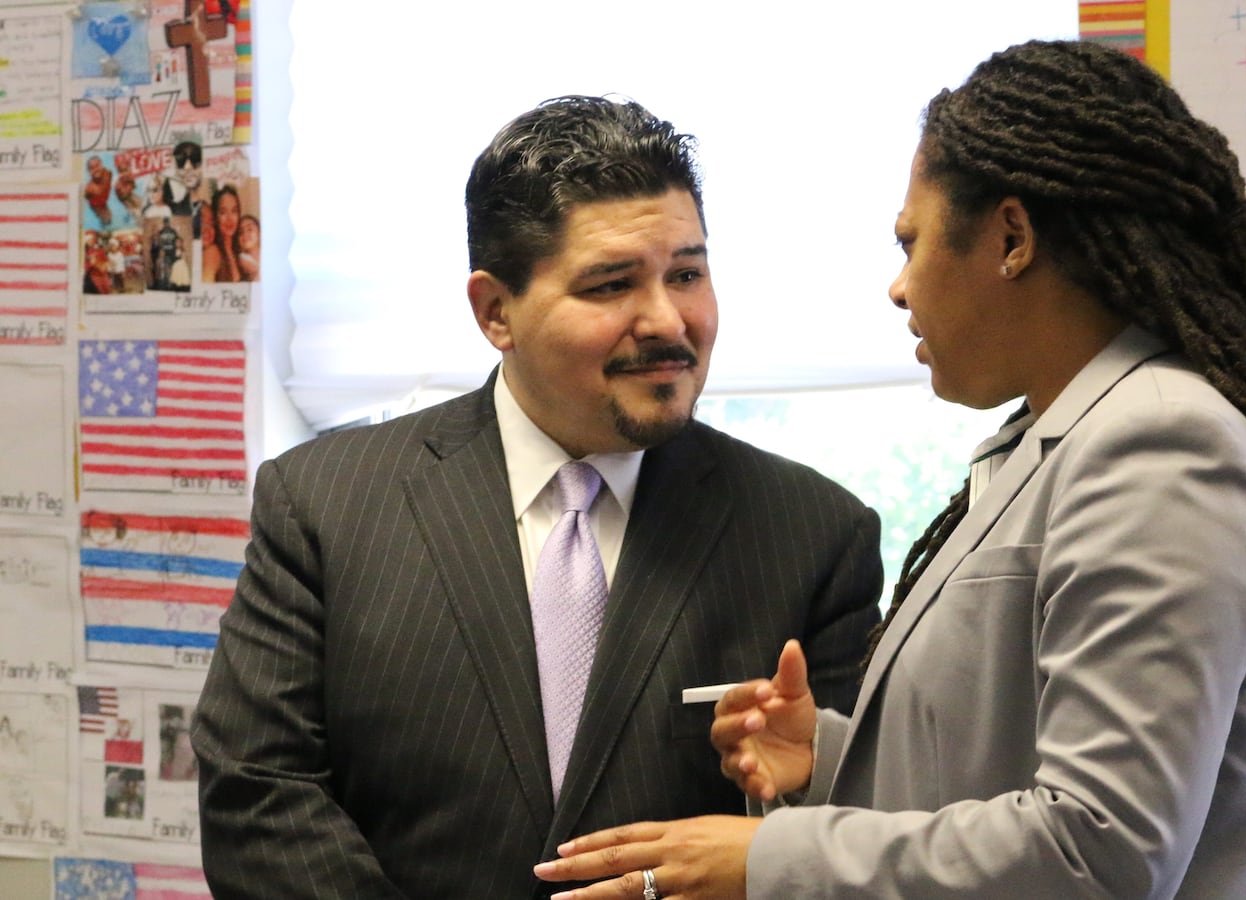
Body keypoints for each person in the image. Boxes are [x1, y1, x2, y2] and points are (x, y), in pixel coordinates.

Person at [536, 40, 1246, 899]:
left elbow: (1098, 851)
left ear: (1012, 238)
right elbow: (1005, 759)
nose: (900, 287)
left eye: (912, 242)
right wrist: (827, 756)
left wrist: (765, 861)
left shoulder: (1164, 445)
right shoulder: (1062, 436)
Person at [191, 95, 884, 899]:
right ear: (496, 311)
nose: (667, 320)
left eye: (687, 274)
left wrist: (792, 795)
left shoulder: (812, 534)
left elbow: (848, 835)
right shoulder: (325, 503)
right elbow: (259, 794)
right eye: (611, 285)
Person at [202, 185, 242, 282]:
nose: (230, 218)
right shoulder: (212, 252)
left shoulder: (238, 250)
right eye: (223, 212)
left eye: (234, 211)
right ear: (215, 217)